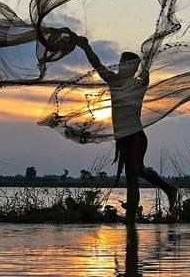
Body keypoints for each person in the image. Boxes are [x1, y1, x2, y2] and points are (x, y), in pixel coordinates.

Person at [71, 34, 179, 223]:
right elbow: (97, 65)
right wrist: (86, 48)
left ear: (134, 69)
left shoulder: (139, 85)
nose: (123, 67)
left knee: (132, 177)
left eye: (128, 65)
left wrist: (146, 60)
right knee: (139, 170)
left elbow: (146, 71)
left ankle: (130, 222)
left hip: (135, 137)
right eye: (122, 63)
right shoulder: (113, 81)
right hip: (124, 137)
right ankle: (169, 189)